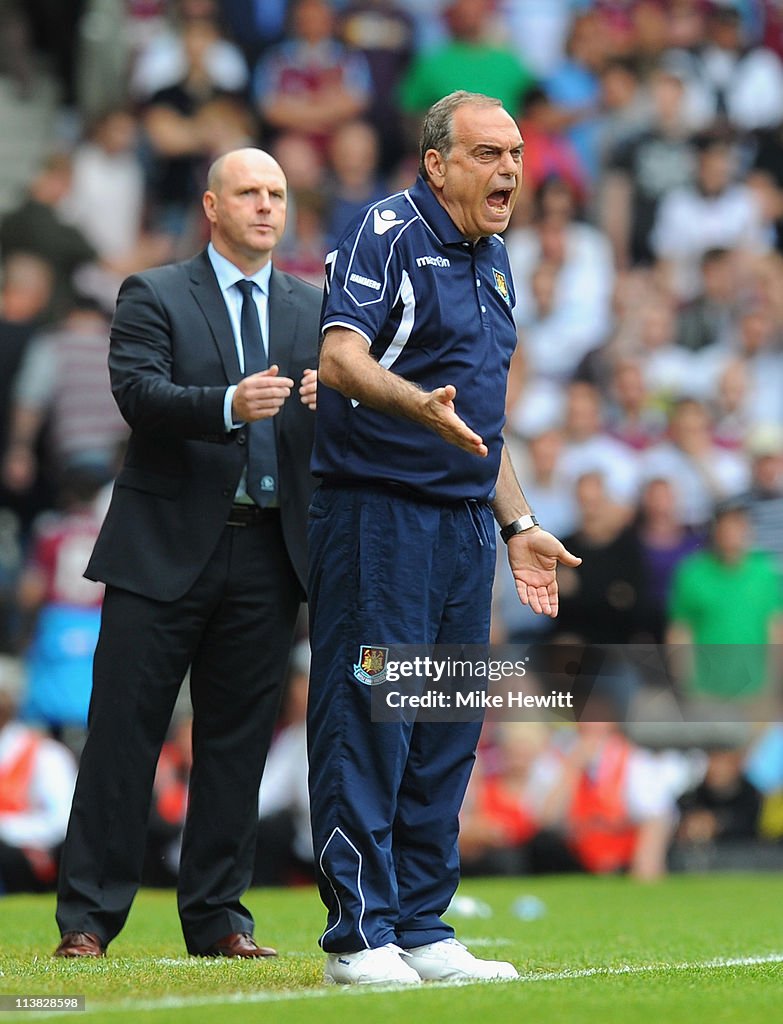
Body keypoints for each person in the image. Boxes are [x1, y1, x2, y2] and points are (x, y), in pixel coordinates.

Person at [307, 90, 580, 986]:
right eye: (487, 154)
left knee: (446, 725)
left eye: (514, 154)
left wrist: (520, 522)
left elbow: (483, 424)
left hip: (464, 526)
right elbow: (340, 357)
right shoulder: (383, 231)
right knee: (371, 716)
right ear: (436, 161)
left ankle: (422, 925)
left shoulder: (494, 257)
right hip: (377, 512)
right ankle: (359, 934)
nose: (509, 171)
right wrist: (414, 405)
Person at [53, 147, 321, 959]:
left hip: (270, 557)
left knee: (236, 746)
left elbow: (333, 424)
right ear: (212, 206)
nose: (266, 207)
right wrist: (230, 404)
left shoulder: (314, 307)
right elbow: (136, 394)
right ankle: (90, 920)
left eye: (276, 194)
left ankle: (218, 921)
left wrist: (331, 405)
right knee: (122, 736)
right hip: (162, 553)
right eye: (249, 192)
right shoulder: (156, 292)